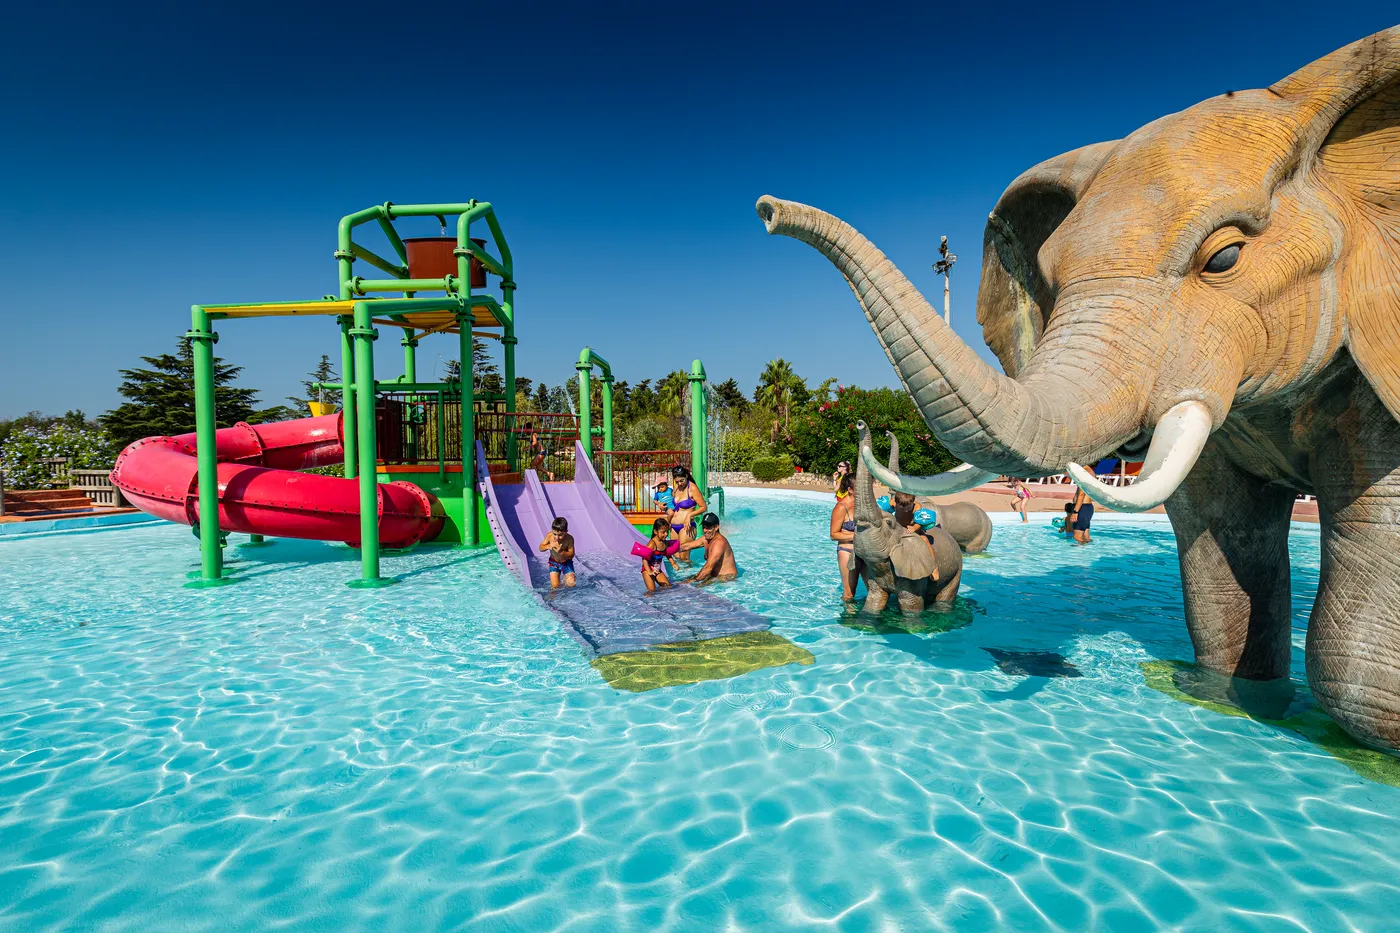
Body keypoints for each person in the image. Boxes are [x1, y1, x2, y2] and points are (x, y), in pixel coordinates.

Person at [677, 512, 738, 583]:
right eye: (704, 527)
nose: (705, 530)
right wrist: (666, 548)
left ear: (716, 527)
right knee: (680, 582)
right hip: (713, 575)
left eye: (708, 528)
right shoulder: (706, 539)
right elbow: (686, 546)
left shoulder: (719, 543)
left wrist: (693, 581)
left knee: (691, 586)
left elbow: (708, 568)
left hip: (726, 578)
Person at [668, 465, 706, 564]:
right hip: (673, 527)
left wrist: (689, 515)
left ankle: (691, 577)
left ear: (686, 476)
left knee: (684, 558)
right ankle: (679, 578)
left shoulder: (692, 488)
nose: (679, 484)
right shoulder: (676, 488)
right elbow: (677, 507)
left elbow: (703, 507)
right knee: (675, 555)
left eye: (682, 481)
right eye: (677, 482)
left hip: (686, 527)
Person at [830, 472, 859, 599]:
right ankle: (848, 618)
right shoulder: (841, 507)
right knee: (849, 593)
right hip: (847, 551)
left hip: (863, 551)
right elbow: (833, 534)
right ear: (850, 490)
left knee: (873, 590)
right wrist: (856, 536)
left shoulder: (862, 504)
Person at [640, 517, 678, 592]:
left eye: (667, 532)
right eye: (663, 532)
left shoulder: (664, 542)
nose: (666, 534)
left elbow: (667, 554)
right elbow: (644, 558)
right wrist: (649, 571)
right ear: (655, 531)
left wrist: (673, 563)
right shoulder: (652, 544)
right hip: (647, 569)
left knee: (668, 587)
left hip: (657, 569)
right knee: (651, 590)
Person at [538, 516, 576, 588]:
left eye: (560, 535)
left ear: (566, 532)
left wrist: (561, 552)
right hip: (554, 562)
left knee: (571, 584)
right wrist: (548, 546)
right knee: (555, 587)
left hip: (566, 563)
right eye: (554, 534)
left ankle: (567, 596)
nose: (557, 537)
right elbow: (540, 548)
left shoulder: (569, 539)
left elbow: (571, 554)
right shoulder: (549, 536)